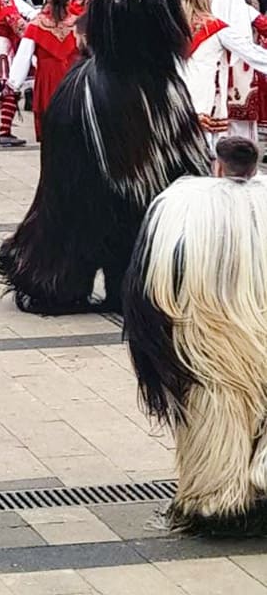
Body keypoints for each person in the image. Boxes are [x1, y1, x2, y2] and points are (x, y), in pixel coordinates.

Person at [0, 0, 210, 313]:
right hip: (141, 205)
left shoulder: (83, 88)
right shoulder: (166, 89)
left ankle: (67, 280)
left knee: (74, 214)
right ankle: (128, 283)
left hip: (89, 169)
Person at [123, 136, 267, 535]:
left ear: (216, 165)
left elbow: (146, 291)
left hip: (205, 338)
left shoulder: (180, 204)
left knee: (215, 413)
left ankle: (217, 502)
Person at [0, 0, 79, 147]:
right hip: (73, 75)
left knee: (49, 117)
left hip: (48, 76)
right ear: (69, 1)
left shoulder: (36, 25)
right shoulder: (77, 24)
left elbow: (24, 56)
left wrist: (14, 82)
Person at [209, 0, 267, 143]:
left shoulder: (210, 13)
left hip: (217, 71)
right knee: (243, 126)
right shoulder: (248, 11)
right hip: (244, 70)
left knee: (218, 120)